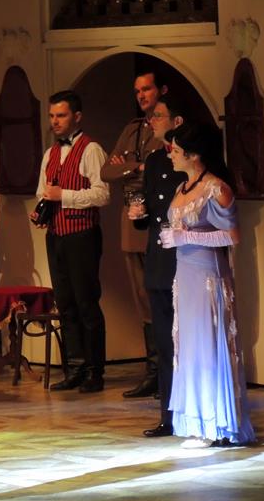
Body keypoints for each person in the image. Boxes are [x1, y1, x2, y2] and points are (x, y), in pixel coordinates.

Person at [159, 122, 255, 448]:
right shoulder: (182, 187)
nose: (170, 154)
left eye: (175, 150)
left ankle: (219, 425)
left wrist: (186, 237)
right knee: (189, 349)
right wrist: (172, 236)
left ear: (194, 154)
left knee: (208, 346)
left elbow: (232, 236)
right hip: (185, 277)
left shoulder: (216, 189)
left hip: (208, 279)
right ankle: (199, 423)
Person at [32, 90, 110, 393]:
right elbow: (43, 192)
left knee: (86, 303)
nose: (55, 121)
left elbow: (102, 194)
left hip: (83, 235)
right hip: (56, 236)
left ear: (77, 117)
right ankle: (75, 367)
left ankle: (94, 371)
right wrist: (42, 210)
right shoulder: (50, 153)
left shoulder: (91, 149)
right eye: (52, 116)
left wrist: (63, 196)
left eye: (61, 115)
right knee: (65, 304)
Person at [100, 72, 167, 399]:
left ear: (161, 90)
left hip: (158, 219)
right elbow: (106, 171)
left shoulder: (170, 125)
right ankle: (153, 372)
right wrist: (136, 167)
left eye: (147, 88)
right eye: (137, 90)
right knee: (142, 298)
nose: (141, 95)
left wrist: (133, 166)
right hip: (131, 220)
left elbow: (163, 169)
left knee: (162, 295)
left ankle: (168, 372)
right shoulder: (132, 129)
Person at [127, 96, 187, 437]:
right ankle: (168, 416)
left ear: (177, 122)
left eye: (159, 115)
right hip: (159, 260)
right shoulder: (153, 161)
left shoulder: (192, 160)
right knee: (165, 343)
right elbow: (150, 207)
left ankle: (194, 413)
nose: (152, 121)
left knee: (188, 341)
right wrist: (138, 215)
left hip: (187, 261)